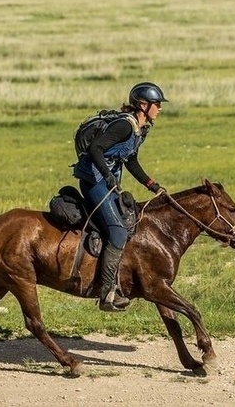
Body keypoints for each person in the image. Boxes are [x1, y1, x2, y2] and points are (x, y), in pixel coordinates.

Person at [73, 82, 167, 312]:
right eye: (156, 104)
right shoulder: (124, 126)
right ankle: (107, 293)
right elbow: (96, 148)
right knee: (118, 231)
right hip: (94, 180)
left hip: (106, 181)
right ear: (143, 105)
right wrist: (107, 175)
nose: (160, 108)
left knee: (128, 223)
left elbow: (130, 160)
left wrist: (151, 185)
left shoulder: (139, 129)